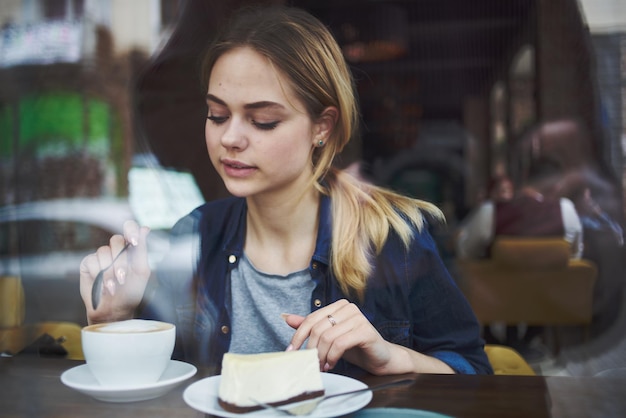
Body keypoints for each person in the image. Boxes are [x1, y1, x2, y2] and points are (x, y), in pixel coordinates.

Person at [79, 6, 492, 376]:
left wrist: (391, 357)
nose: (231, 138)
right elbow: (156, 387)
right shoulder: (197, 235)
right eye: (217, 115)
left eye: (263, 121)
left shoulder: (392, 238)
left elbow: (474, 372)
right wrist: (115, 321)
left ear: (322, 127)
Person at [457, 158, 583, 260]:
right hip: (551, 290)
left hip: (499, 290)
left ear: (525, 176)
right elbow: (575, 257)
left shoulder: (490, 211)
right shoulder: (566, 210)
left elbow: (465, 253)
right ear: (557, 186)